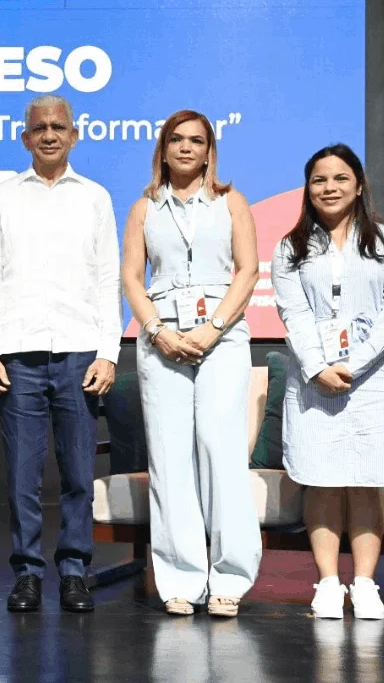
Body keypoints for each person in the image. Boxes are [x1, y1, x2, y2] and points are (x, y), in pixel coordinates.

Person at [0, 93, 120, 614]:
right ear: (25, 138)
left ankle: (76, 569)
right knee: (22, 475)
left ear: (74, 135)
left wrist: (109, 353)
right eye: (39, 128)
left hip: (81, 354)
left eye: (58, 126)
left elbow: (109, 279)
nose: (49, 134)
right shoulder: (5, 197)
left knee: (80, 471)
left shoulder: (95, 198)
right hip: (18, 354)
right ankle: (28, 572)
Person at [121, 109, 262, 618]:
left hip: (221, 334)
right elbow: (133, 279)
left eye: (196, 141)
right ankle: (179, 579)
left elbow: (248, 271)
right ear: (162, 148)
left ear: (209, 150)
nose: (185, 148)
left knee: (220, 449)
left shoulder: (231, 202)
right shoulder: (144, 207)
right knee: (170, 456)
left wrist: (212, 328)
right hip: (161, 336)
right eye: (176, 139)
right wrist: (158, 330)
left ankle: (231, 577)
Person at [272, 144, 384, 620]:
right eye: (319, 180)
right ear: (307, 189)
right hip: (313, 380)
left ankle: (367, 584)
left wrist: (353, 364)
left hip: (370, 381)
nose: (329, 188)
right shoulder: (290, 248)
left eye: (339, 178)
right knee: (323, 481)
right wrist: (317, 366)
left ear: (358, 184)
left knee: (365, 481)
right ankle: (329, 583)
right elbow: (293, 313)